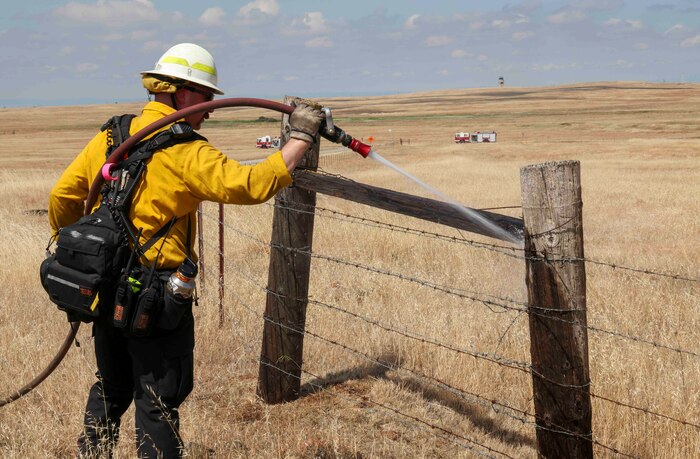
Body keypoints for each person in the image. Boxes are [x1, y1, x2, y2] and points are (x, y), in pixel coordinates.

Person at [47, 42, 324, 458]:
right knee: (158, 399)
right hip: (155, 301)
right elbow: (248, 185)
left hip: (104, 288)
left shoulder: (114, 134)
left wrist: (84, 249)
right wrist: (301, 137)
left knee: (112, 385)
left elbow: (63, 196)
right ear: (181, 93)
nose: (211, 107)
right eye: (206, 96)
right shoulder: (184, 150)